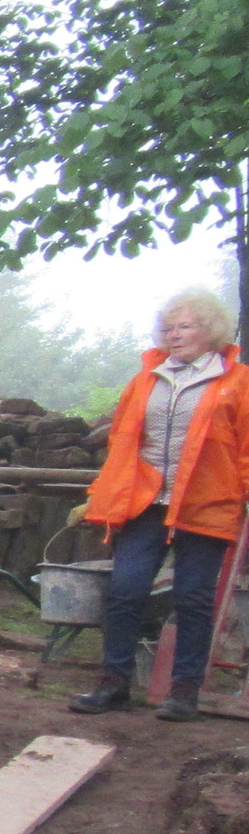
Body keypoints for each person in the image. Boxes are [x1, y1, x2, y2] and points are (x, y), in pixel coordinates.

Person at [69, 289, 249, 720]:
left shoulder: (238, 382)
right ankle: (113, 684)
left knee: (192, 598)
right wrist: (100, 495)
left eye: (185, 326)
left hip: (206, 503)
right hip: (146, 504)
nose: (174, 334)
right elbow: (121, 444)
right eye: (168, 328)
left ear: (211, 331)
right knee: (125, 590)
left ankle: (184, 693)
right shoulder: (145, 380)